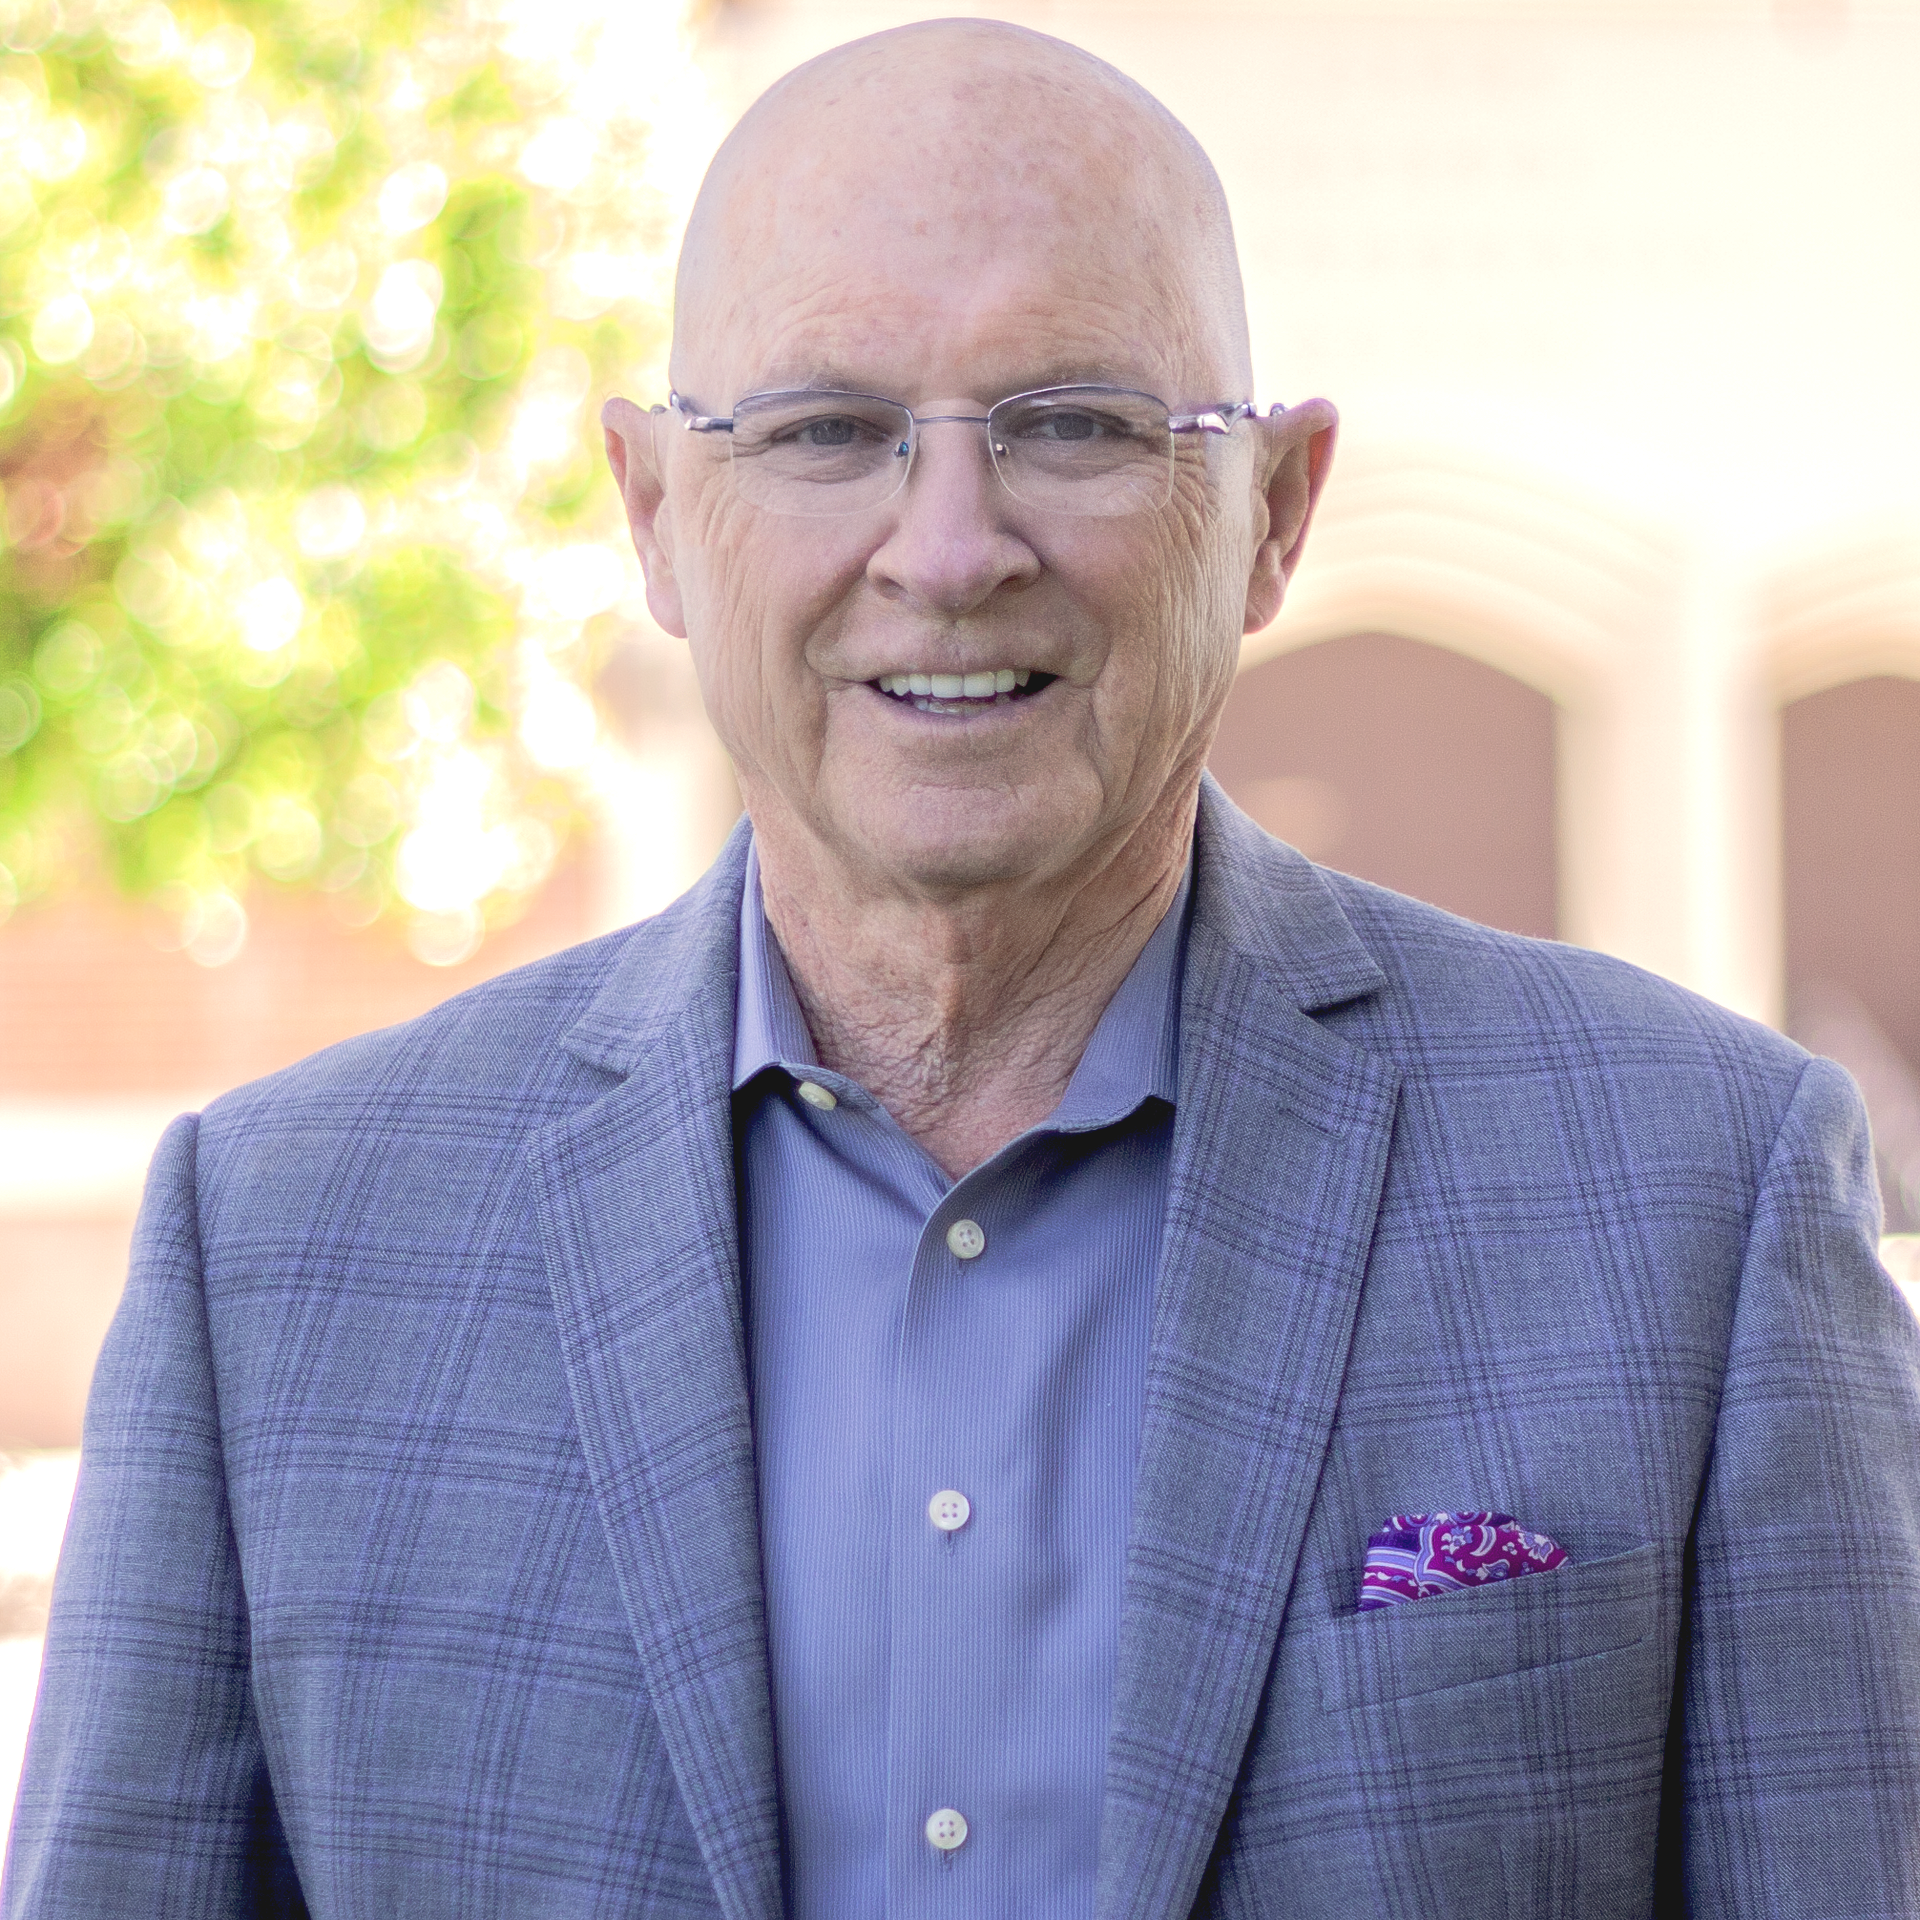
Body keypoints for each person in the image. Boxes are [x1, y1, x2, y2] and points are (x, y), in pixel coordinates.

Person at [7, 18, 1918, 1919]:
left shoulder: (1699, 1196)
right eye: (828, 429)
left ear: (1273, 512)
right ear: (661, 515)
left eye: (1073, 424)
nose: (946, 548)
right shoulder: (278, 1248)